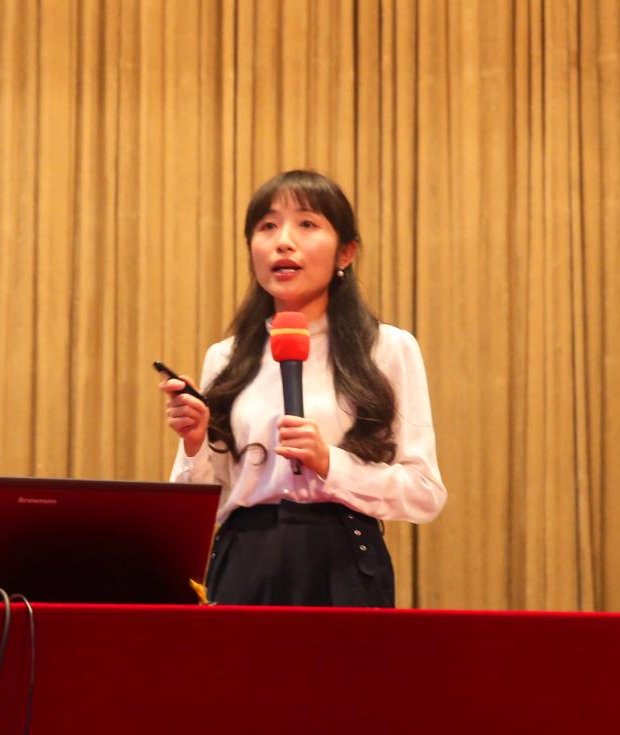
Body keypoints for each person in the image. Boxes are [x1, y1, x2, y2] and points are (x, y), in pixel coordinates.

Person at [160, 170, 445, 607]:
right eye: (267, 226)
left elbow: (424, 494)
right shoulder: (225, 357)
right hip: (243, 558)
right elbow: (203, 508)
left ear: (345, 252)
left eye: (306, 224)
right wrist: (196, 442)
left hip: (344, 560)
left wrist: (330, 462)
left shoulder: (388, 348)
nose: (283, 242)